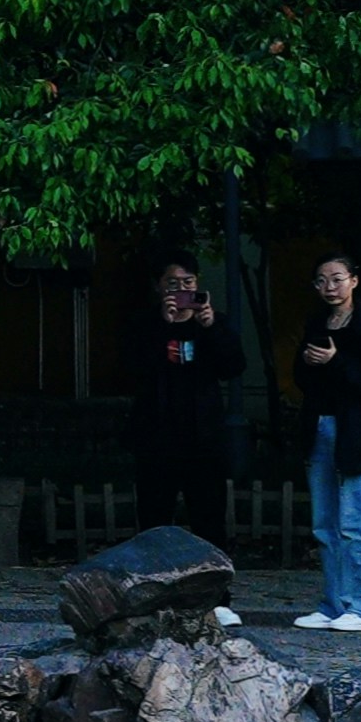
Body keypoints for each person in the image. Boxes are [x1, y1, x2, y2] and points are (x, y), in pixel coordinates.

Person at [129, 255, 249, 601]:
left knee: (210, 521)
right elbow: (134, 368)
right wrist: (164, 326)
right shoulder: (145, 324)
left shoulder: (213, 323)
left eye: (188, 283)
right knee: (153, 521)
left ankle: (215, 598)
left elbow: (234, 367)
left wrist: (212, 328)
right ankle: (152, 595)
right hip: (157, 439)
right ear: (158, 287)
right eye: (172, 283)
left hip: (204, 439)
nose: (181, 290)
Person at [295, 250, 361, 632]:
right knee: (324, 524)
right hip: (319, 425)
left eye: (337, 278)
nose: (330, 287)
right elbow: (302, 379)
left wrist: (337, 362)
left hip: (357, 433)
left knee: (356, 522)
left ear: (354, 280)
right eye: (322, 280)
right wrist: (309, 363)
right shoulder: (316, 322)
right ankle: (333, 603)